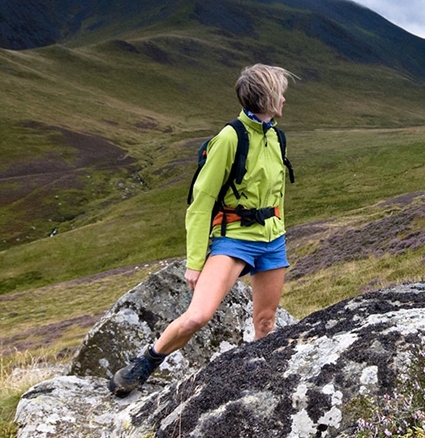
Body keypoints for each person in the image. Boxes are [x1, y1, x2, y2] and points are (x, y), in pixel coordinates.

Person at [108, 63, 296, 396]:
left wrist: (278, 232)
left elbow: (277, 192)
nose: (284, 97)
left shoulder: (276, 136)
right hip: (234, 239)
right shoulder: (230, 137)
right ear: (267, 97)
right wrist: (196, 260)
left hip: (272, 241)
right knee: (198, 316)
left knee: (266, 322)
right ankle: (146, 363)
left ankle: (256, 379)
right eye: (279, 91)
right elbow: (200, 202)